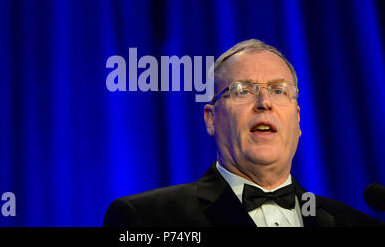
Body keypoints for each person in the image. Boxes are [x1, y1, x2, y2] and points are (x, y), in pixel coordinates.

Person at [103, 39, 384, 227]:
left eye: (278, 91)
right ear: (211, 119)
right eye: (243, 91)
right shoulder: (146, 219)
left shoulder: (356, 224)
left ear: (297, 121)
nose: (264, 103)